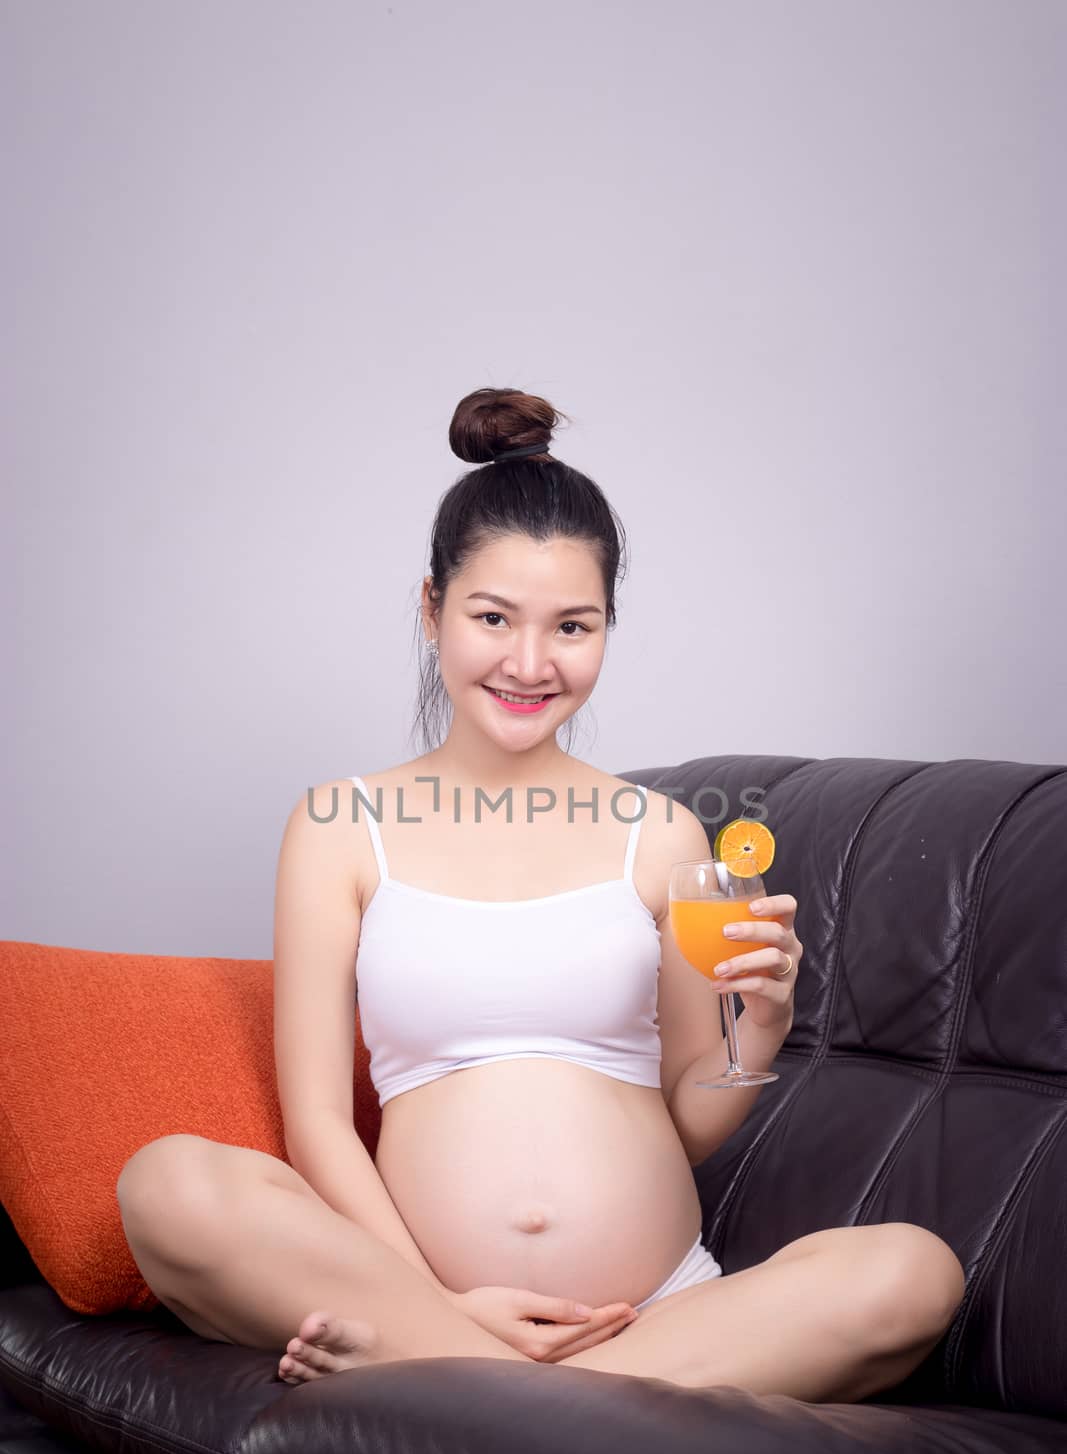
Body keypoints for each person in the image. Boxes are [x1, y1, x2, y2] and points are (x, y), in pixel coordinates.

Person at [117, 386, 965, 1398]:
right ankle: (524, 1380)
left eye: (571, 625)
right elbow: (319, 1128)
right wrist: (426, 1296)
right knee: (165, 1185)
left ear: (607, 625)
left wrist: (756, 1035)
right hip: (427, 1292)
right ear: (430, 609)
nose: (529, 662)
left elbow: (693, 1114)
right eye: (491, 617)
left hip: (657, 1309)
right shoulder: (338, 827)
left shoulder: (664, 837)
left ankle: (467, 1385)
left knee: (912, 1271)